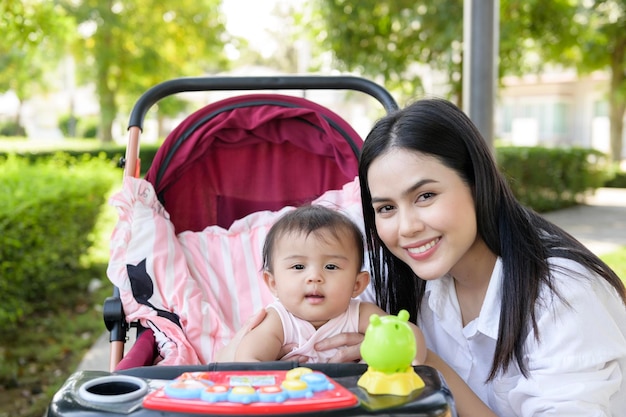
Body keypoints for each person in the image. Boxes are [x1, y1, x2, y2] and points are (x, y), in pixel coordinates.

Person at [355, 98, 626, 416]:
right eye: (386, 208)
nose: (407, 227)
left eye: (425, 196)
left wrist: (426, 362)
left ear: (477, 183)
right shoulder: (399, 278)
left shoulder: (562, 295)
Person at [234, 204, 426, 365]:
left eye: (331, 266)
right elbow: (247, 360)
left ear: (357, 284)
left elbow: (408, 336)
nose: (315, 277)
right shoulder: (279, 321)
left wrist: (400, 353)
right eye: (299, 266)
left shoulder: (359, 314)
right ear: (273, 283)